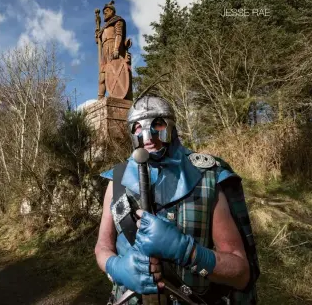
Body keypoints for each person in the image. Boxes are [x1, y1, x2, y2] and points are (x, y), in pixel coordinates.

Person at [94, 93, 260, 305]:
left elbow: (241, 273)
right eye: (137, 127)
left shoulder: (207, 177)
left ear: (171, 125)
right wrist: (116, 268)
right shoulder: (117, 179)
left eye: (158, 123)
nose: (147, 136)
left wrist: (187, 252)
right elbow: (102, 247)